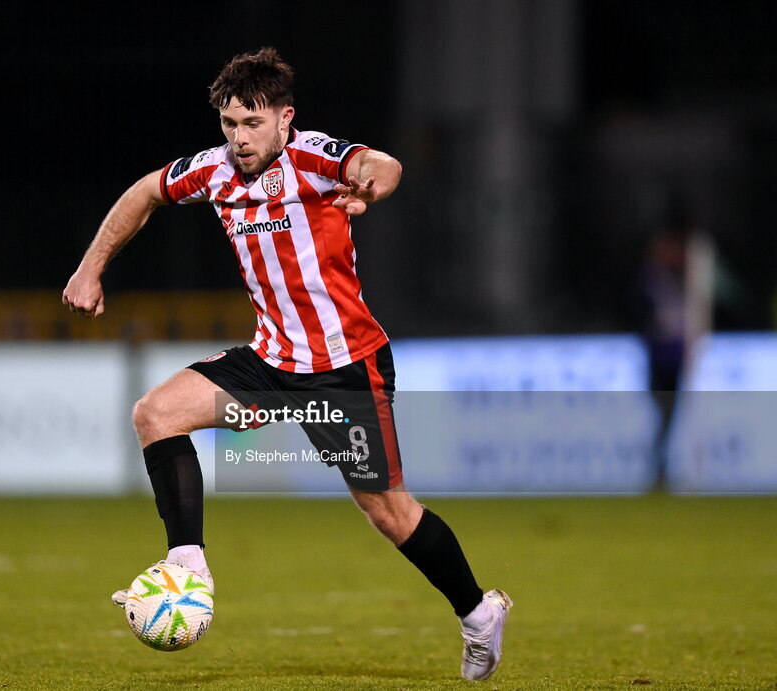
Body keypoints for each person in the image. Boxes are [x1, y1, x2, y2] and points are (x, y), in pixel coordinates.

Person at [63, 48, 512, 682]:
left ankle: (477, 614)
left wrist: (374, 183)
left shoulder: (315, 157)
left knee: (389, 512)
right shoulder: (214, 171)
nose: (239, 139)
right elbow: (145, 192)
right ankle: (187, 560)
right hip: (271, 368)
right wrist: (90, 267)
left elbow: (379, 164)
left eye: (252, 124)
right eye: (229, 124)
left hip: (344, 369)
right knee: (156, 414)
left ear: (284, 118)